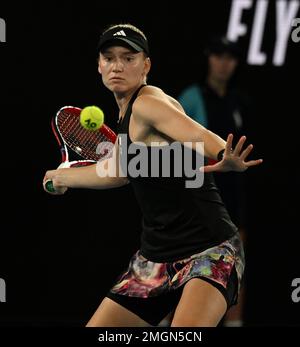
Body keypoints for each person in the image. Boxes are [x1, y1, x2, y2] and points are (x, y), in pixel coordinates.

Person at [43, 24, 262, 327]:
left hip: (208, 251)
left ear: (146, 65)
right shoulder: (126, 114)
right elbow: (117, 171)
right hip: (154, 259)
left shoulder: (148, 103)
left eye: (128, 58)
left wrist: (224, 153)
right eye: (109, 58)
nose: (117, 66)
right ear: (99, 65)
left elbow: (196, 132)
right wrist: (60, 177)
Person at [178, 35, 251, 326]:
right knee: (185, 268)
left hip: (233, 200)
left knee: (236, 266)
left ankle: (234, 323)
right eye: (218, 56)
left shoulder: (240, 103)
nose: (223, 63)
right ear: (209, 59)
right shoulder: (191, 98)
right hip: (197, 201)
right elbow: (175, 151)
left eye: (230, 57)